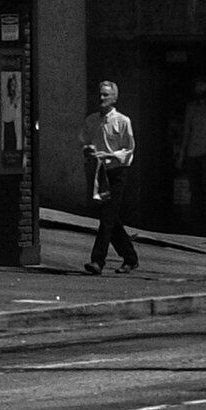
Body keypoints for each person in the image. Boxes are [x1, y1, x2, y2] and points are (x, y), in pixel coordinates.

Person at [82, 79, 139, 274]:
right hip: (99, 172)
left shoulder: (123, 121)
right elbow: (85, 140)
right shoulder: (91, 120)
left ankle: (98, 260)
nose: (102, 98)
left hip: (116, 172)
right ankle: (130, 257)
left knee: (107, 217)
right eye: (100, 94)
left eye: (106, 94)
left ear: (114, 97)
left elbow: (129, 149)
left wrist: (111, 155)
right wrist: (88, 149)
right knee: (110, 217)